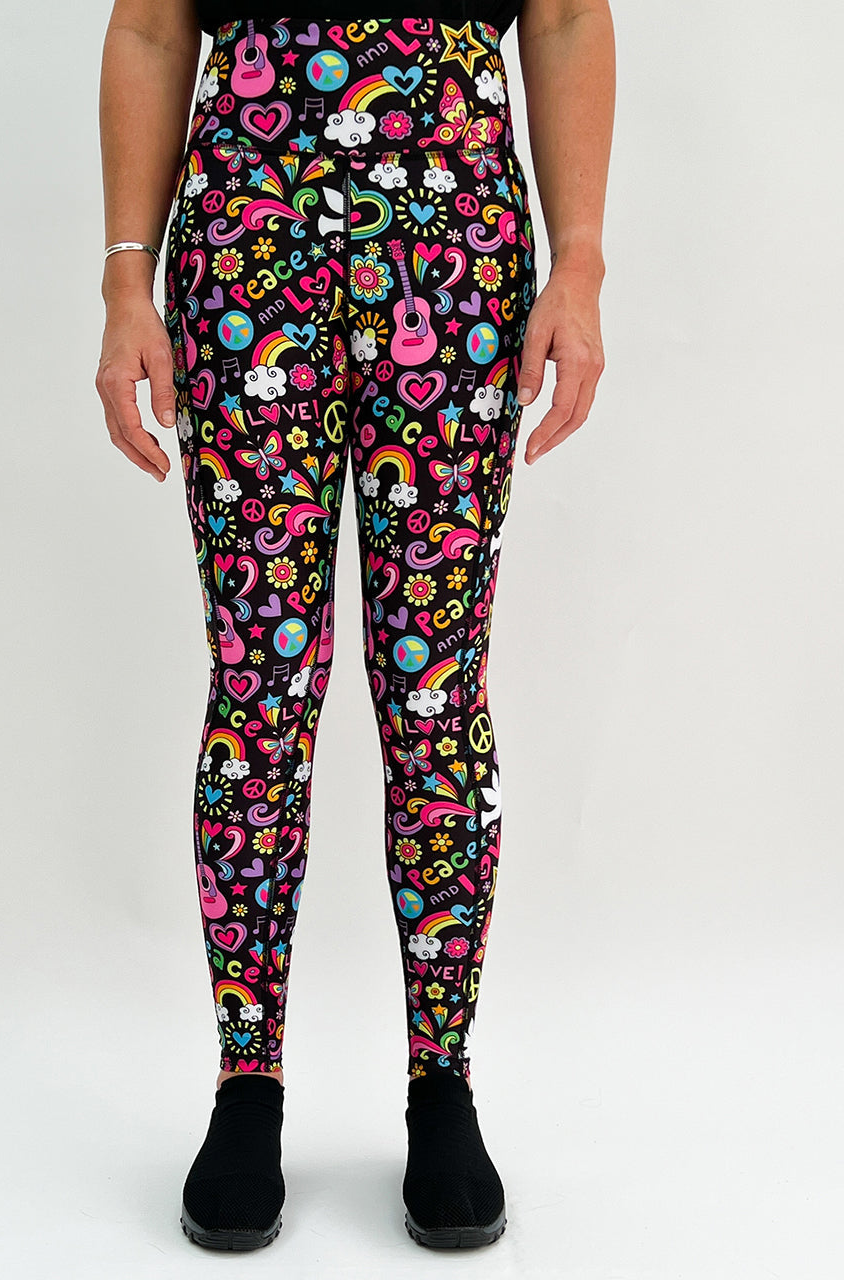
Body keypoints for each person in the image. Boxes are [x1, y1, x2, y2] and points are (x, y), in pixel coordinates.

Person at [95, 0, 614, 1253]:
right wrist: (124, 277)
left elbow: (562, 14)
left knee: (435, 690)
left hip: (455, 249)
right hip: (246, 248)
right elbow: (154, 29)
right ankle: (247, 1084)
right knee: (259, 688)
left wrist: (581, 261)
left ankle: (442, 1082)